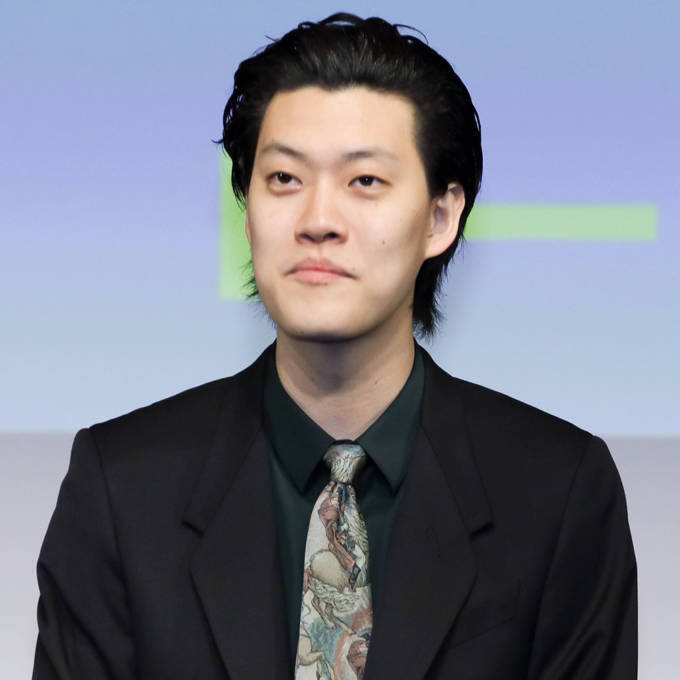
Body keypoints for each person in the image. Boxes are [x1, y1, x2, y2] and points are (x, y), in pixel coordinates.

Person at [32, 13, 637, 680]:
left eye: (365, 182)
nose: (318, 220)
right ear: (247, 209)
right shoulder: (121, 487)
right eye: (284, 179)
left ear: (440, 217)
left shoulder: (558, 491)